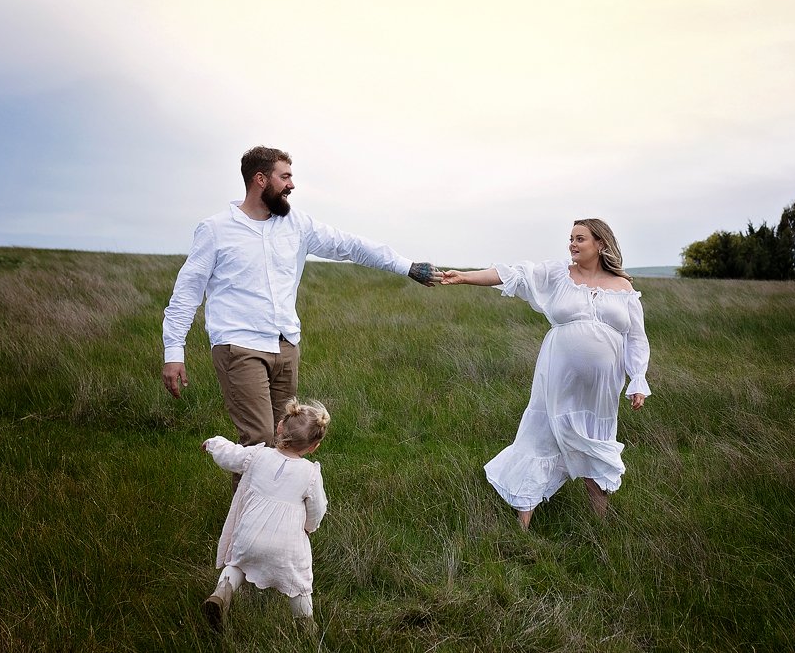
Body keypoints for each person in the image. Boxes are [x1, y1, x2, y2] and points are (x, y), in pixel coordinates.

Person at [162, 147, 441, 486]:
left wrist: (406, 266)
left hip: (286, 346)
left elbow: (351, 245)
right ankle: (246, 525)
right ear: (260, 180)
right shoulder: (216, 229)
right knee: (260, 441)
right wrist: (173, 352)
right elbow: (187, 291)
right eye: (285, 177)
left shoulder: (297, 225)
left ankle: (282, 517)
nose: (292, 185)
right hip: (239, 346)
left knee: (288, 442)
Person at [441, 218, 650, 529]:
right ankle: (522, 525)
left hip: (602, 388)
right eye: (571, 238)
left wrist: (638, 379)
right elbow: (512, 274)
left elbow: (635, 338)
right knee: (541, 437)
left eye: (580, 239)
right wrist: (465, 277)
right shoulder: (558, 274)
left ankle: (600, 527)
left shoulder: (623, 288)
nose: (572, 244)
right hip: (558, 376)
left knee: (597, 442)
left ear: (601, 244)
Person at [200, 397, 330, 631]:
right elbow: (317, 510)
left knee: (236, 564)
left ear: (280, 427)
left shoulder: (257, 456)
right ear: (313, 447)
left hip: (249, 535)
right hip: (287, 546)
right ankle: (305, 626)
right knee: (299, 582)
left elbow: (231, 454)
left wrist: (214, 444)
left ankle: (221, 594)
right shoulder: (310, 474)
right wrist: (309, 527)